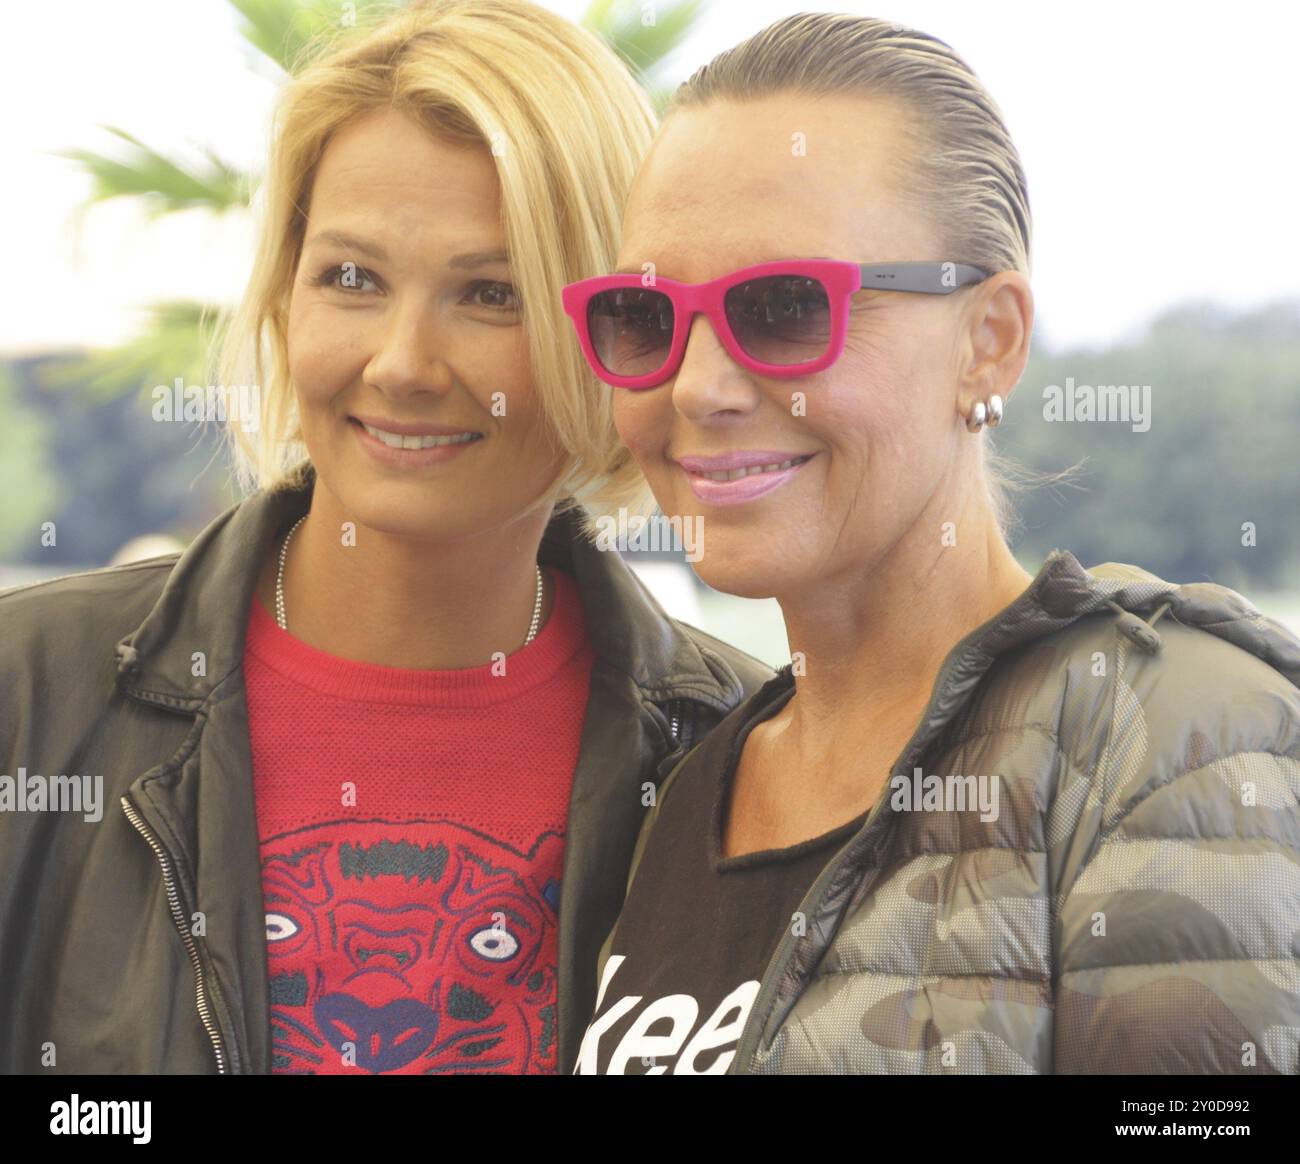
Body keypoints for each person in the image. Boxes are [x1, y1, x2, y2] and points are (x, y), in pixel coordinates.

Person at [0, 0, 770, 1076]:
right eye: (352, 278)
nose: (403, 363)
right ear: (281, 302)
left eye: (489, 293)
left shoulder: (745, 759)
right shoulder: (29, 694)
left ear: (617, 337)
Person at [564, 13, 1300, 1074]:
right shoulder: (683, 792)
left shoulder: (1177, 745)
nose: (698, 387)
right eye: (643, 317)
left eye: (783, 307)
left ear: (987, 341)